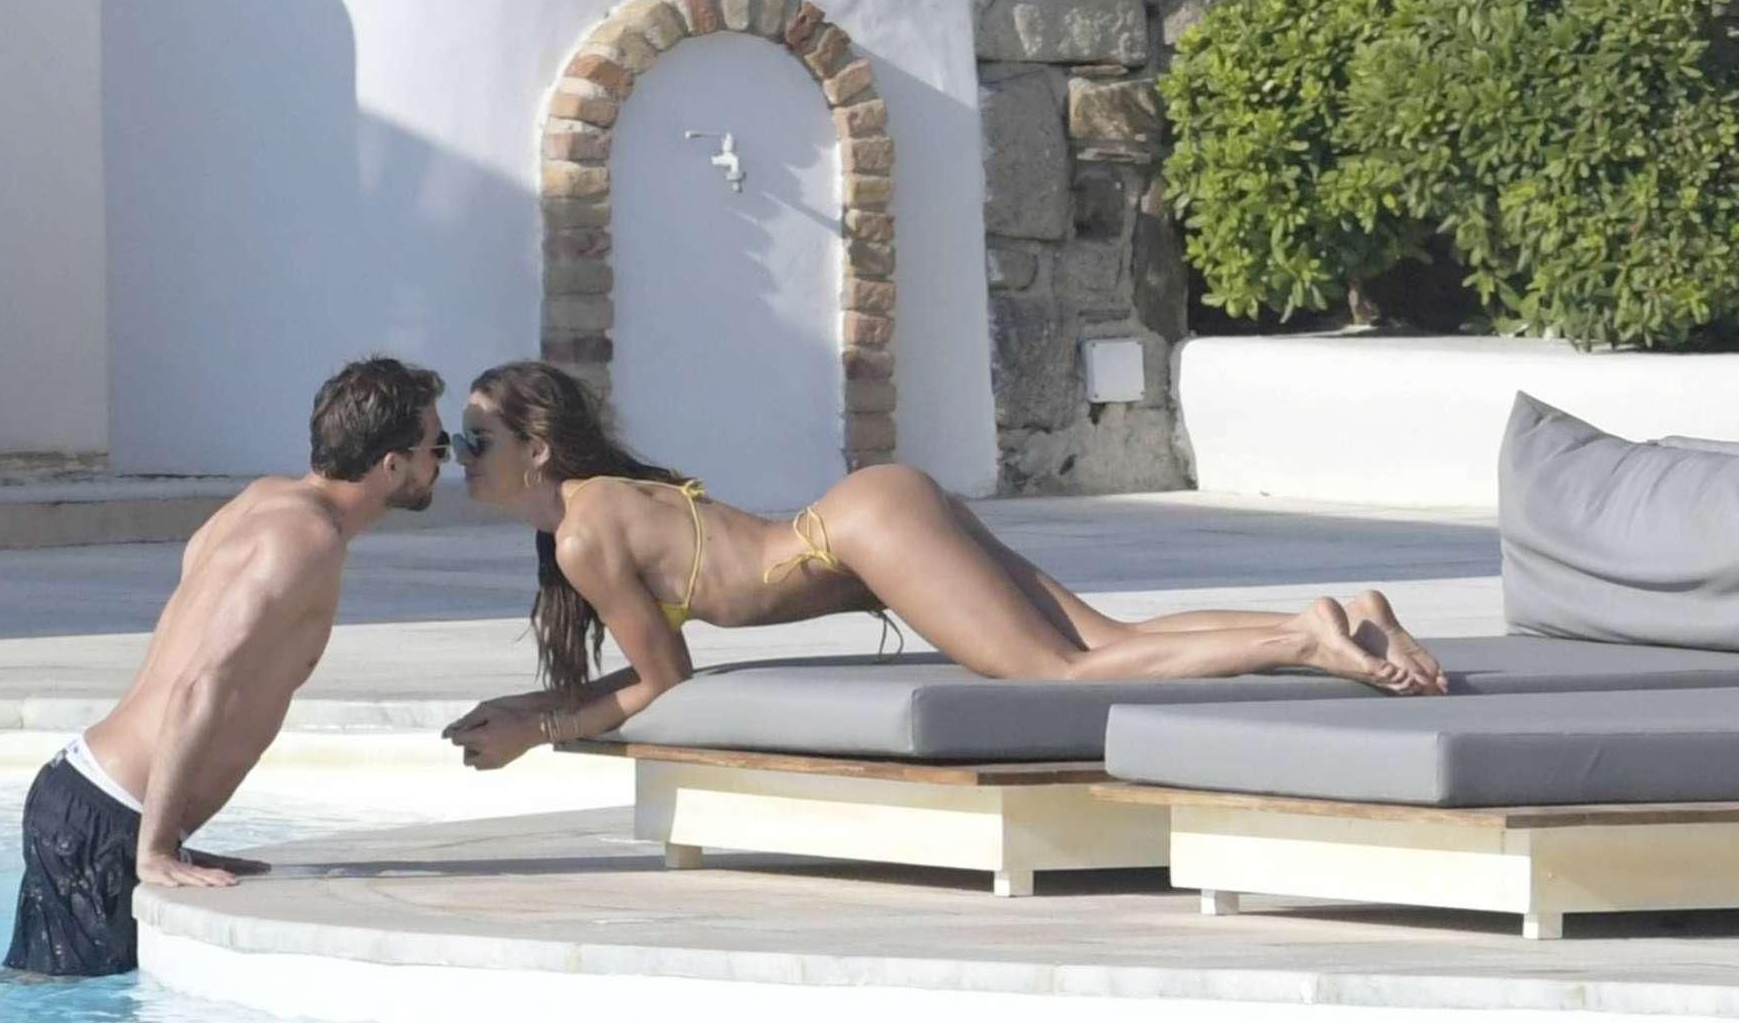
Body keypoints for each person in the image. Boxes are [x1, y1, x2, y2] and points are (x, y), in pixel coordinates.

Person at [441, 361, 1445, 770]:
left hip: (859, 533)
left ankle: (1302, 640)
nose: (459, 455)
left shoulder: (582, 535)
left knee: (1058, 674)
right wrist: (527, 707)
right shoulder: (591, 508)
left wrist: (536, 728)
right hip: (870, 514)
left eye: (474, 440)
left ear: (537, 450)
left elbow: (665, 679)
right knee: (1110, 641)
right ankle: (1338, 617)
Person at [3, 356, 449, 975]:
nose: (444, 461)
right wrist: (155, 848)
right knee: (70, 1011)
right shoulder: (305, 539)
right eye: (438, 447)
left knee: (50, 994)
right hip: (112, 814)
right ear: (391, 464)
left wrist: (170, 838)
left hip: (92, 797)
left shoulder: (266, 499)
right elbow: (199, 683)